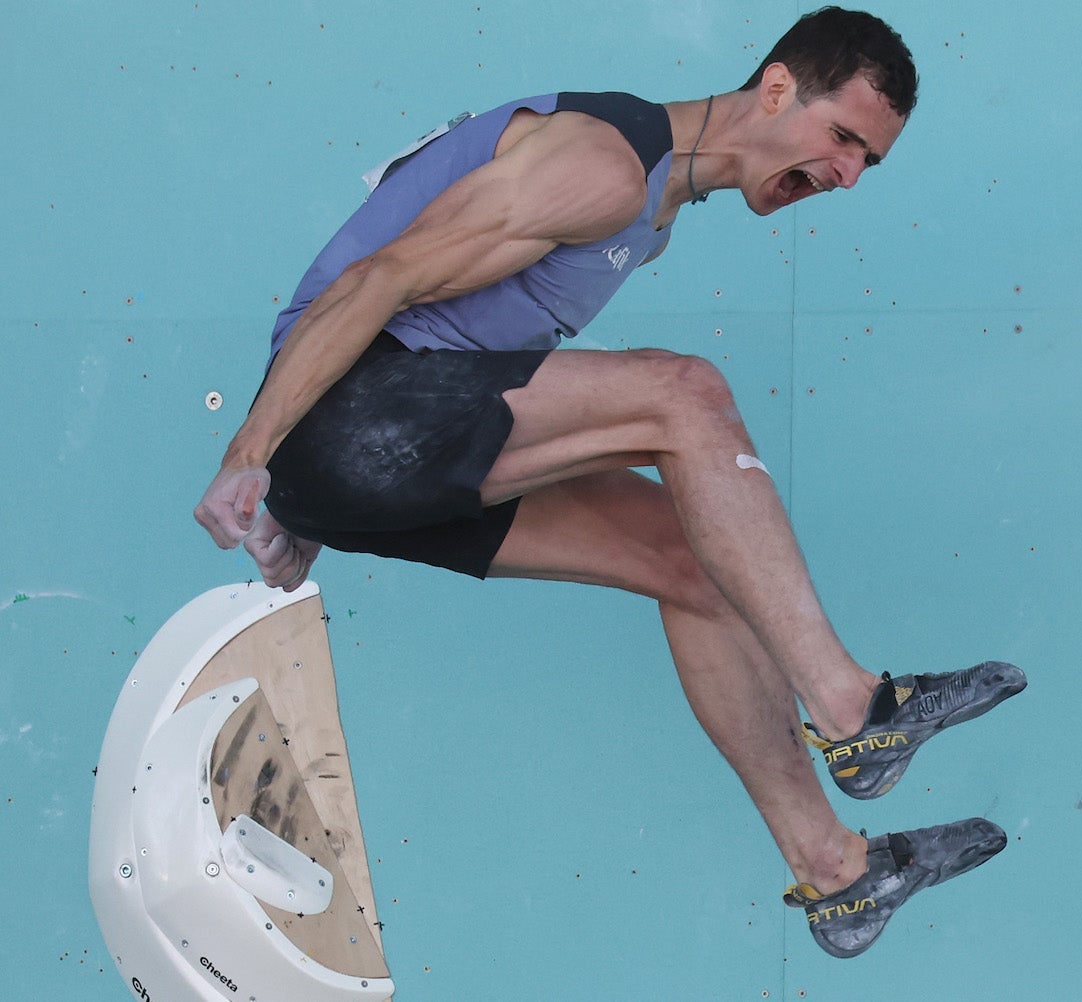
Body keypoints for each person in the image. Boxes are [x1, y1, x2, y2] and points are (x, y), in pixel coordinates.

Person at [193, 6, 1025, 958]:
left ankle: (839, 874)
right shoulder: (603, 164)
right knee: (685, 395)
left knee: (701, 560)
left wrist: (319, 503)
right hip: (349, 415)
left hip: (379, 440)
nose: (843, 176)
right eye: (841, 138)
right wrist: (259, 451)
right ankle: (854, 708)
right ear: (777, 87)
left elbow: (470, 382)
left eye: (866, 164)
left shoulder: (654, 212)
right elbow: (380, 279)